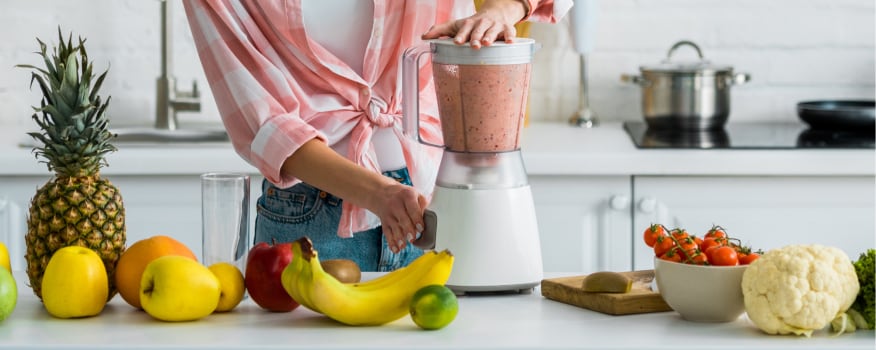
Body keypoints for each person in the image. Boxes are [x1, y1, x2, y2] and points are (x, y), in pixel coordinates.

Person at [183, 0, 571, 272]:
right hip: (310, 223)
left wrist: (502, 9)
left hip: (438, 202)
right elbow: (264, 124)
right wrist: (378, 194)